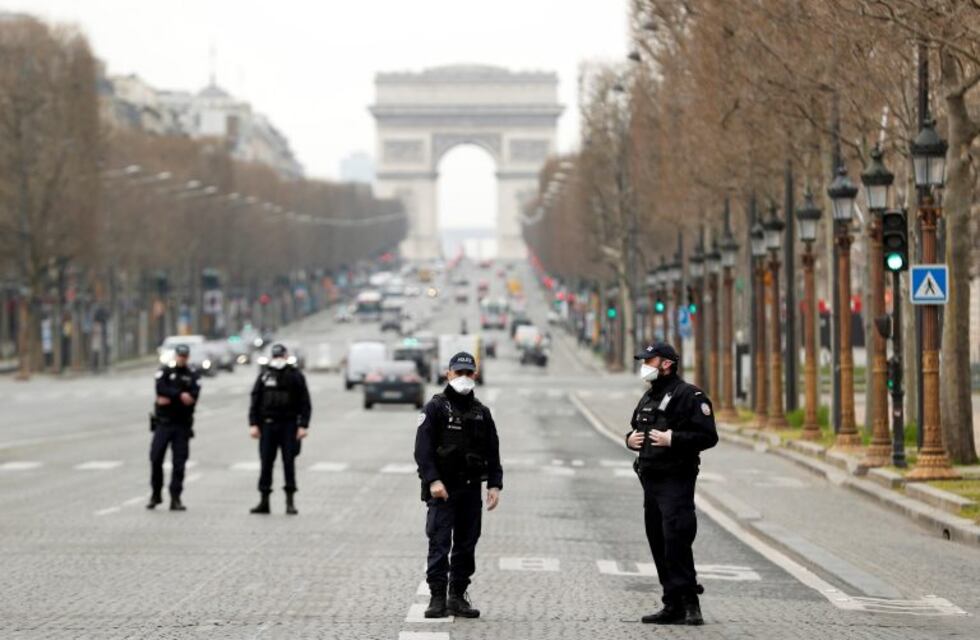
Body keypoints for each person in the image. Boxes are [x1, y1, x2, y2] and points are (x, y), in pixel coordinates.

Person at [625, 342, 718, 625]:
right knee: (659, 542)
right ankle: (671, 603)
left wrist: (673, 439)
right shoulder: (648, 397)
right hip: (650, 480)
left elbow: (708, 436)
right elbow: (634, 428)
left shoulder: (689, 395)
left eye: (649, 361)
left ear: (666, 363)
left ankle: (691, 604)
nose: (644, 366)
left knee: (676, 538)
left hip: (676, 479)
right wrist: (629, 439)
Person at [414, 351, 503, 619]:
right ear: (448, 374)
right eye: (458, 373)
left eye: (468, 373)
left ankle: (457, 596)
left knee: (467, 543)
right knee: (440, 542)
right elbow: (422, 450)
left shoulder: (481, 413)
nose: (463, 378)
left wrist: (494, 485)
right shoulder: (435, 408)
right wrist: (433, 480)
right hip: (442, 489)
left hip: (470, 489)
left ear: (474, 375)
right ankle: (437, 597)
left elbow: (493, 451)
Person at [248, 343, 311, 515]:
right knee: (266, 463)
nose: (278, 360)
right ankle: (264, 501)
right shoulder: (264, 375)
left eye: (280, 356)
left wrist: (303, 425)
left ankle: (290, 502)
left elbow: (304, 402)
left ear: (285, 356)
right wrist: (253, 424)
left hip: (289, 426)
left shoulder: (295, 375)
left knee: (289, 462)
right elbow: (255, 400)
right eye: (275, 357)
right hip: (267, 425)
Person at [148, 344, 201, 511]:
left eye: (185, 356)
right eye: (180, 355)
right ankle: (156, 494)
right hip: (163, 423)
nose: (182, 358)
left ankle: (175, 497)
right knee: (156, 458)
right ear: (175, 356)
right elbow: (159, 389)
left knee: (179, 463)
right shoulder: (165, 371)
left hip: (181, 425)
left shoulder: (192, 374)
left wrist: (171, 397)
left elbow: (193, 396)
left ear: (188, 357)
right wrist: (179, 395)